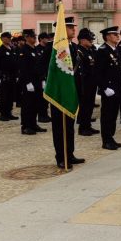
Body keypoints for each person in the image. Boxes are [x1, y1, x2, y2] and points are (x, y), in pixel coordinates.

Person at [50, 16, 83, 168]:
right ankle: (61, 157)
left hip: (71, 92)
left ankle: (70, 154)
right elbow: (47, 70)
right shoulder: (53, 49)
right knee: (59, 127)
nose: (73, 30)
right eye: (70, 28)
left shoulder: (74, 47)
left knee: (69, 126)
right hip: (59, 93)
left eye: (73, 27)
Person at [94, 26, 121, 150]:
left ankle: (111, 137)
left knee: (113, 114)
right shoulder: (102, 51)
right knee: (107, 115)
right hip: (108, 89)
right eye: (114, 34)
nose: (117, 36)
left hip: (116, 87)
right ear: (107, 37)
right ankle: (106, 140)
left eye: (117, 34)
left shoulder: (114, 50)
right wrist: (104, 87)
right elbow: (98, 72)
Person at [18, 29, 46, 135]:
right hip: (29, 83)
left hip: (38, 81)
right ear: (26, 37)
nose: (34, 38)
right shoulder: (23, 50)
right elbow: (23, 68)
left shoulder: (36, 49)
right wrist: (27, 82)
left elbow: (40, 66)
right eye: (32, 36)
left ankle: (33, 124)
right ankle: (26, 126)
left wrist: (43, 79)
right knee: (27, 105)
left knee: (36, 104)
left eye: (35, 36)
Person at [75, 28, 98, 136]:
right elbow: (79, 70)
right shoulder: (78, 51)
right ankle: (83, 128)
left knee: (90, 106)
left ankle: (88, 125)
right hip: (83, 83)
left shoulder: (90, 50)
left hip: (91, 83)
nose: (91, 41)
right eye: (89, 39)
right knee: (84, 107)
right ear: (82, 40)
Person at [0, 31, 18, 121]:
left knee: (10, 96)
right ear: (2, 39)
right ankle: (3, 114)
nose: (9, 39)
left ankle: (9, 112)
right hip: (5, 76)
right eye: (7, 38)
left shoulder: (12, 49)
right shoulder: (0, 50)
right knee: (4, 96)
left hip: (12, 76)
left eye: (10, 38)